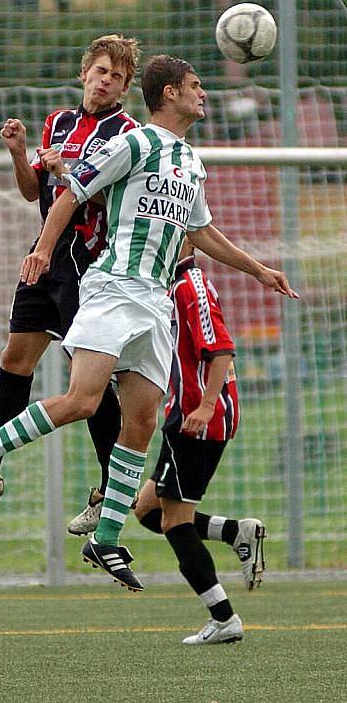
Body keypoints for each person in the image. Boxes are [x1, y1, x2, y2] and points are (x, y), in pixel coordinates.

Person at [0, 55, 298, 592]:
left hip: (155, 303)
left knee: (141, 424)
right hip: (113, 287)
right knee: (84, 400)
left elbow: (202, 233)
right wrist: (41, 251)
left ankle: (105, 537)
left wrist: (259, 270)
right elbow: (69, 193)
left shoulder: (190, 161)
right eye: (196, 86)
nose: (204, 94)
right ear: (172, 93)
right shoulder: (132, 143)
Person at [0, 34, 140, 509]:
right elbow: (32, 193)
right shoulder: (58, 122)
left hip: (84, 258)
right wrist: (19, 153)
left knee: (86, 376)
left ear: (124, 90)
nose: (106, 81)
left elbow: (109, 198)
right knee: (14, 360)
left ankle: (110, 489)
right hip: (44, 251)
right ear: (85, 72)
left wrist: (67, 171)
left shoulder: (127, 133)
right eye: (101, 71)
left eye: (117, 77)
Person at [133, 238, 265, 645]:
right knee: (147, 510)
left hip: (198, 420)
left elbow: (222, 348)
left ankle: (223, 618)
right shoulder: (170, 287)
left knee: (175, 521)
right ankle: (234, 532)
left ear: (183, 240)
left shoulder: (193, 286)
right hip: (183, 416)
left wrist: (206, 405)